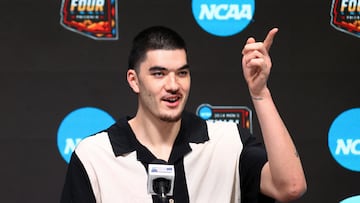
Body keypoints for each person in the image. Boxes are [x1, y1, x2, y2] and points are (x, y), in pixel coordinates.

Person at [61, 25, 307, 203]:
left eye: (182, 73)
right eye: (159, 74)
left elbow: (291, 187)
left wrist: (260, 93)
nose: (173, 85)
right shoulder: (95, 155)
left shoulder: (227, 142)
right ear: (134, 81)